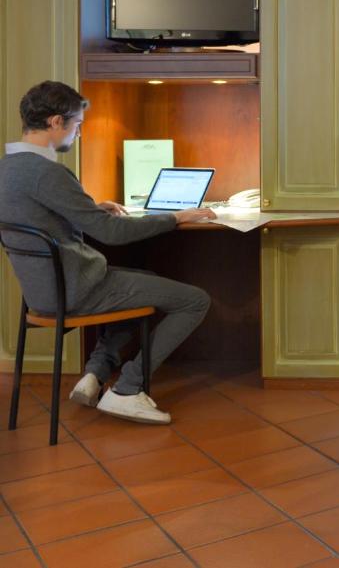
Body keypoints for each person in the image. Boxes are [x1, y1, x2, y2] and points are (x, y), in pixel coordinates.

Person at [0, 81, 215, 424]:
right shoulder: (49, 173)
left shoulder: (7, 168)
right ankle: (128, 390)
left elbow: (39, 218)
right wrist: (175, 217)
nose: (79, 134)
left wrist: (90, 209)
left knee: (146, 282)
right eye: (78, 125)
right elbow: (112, 233)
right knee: (194, 300)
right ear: (56, 122)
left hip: (40, 293)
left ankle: (95, 375)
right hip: (77, 289)